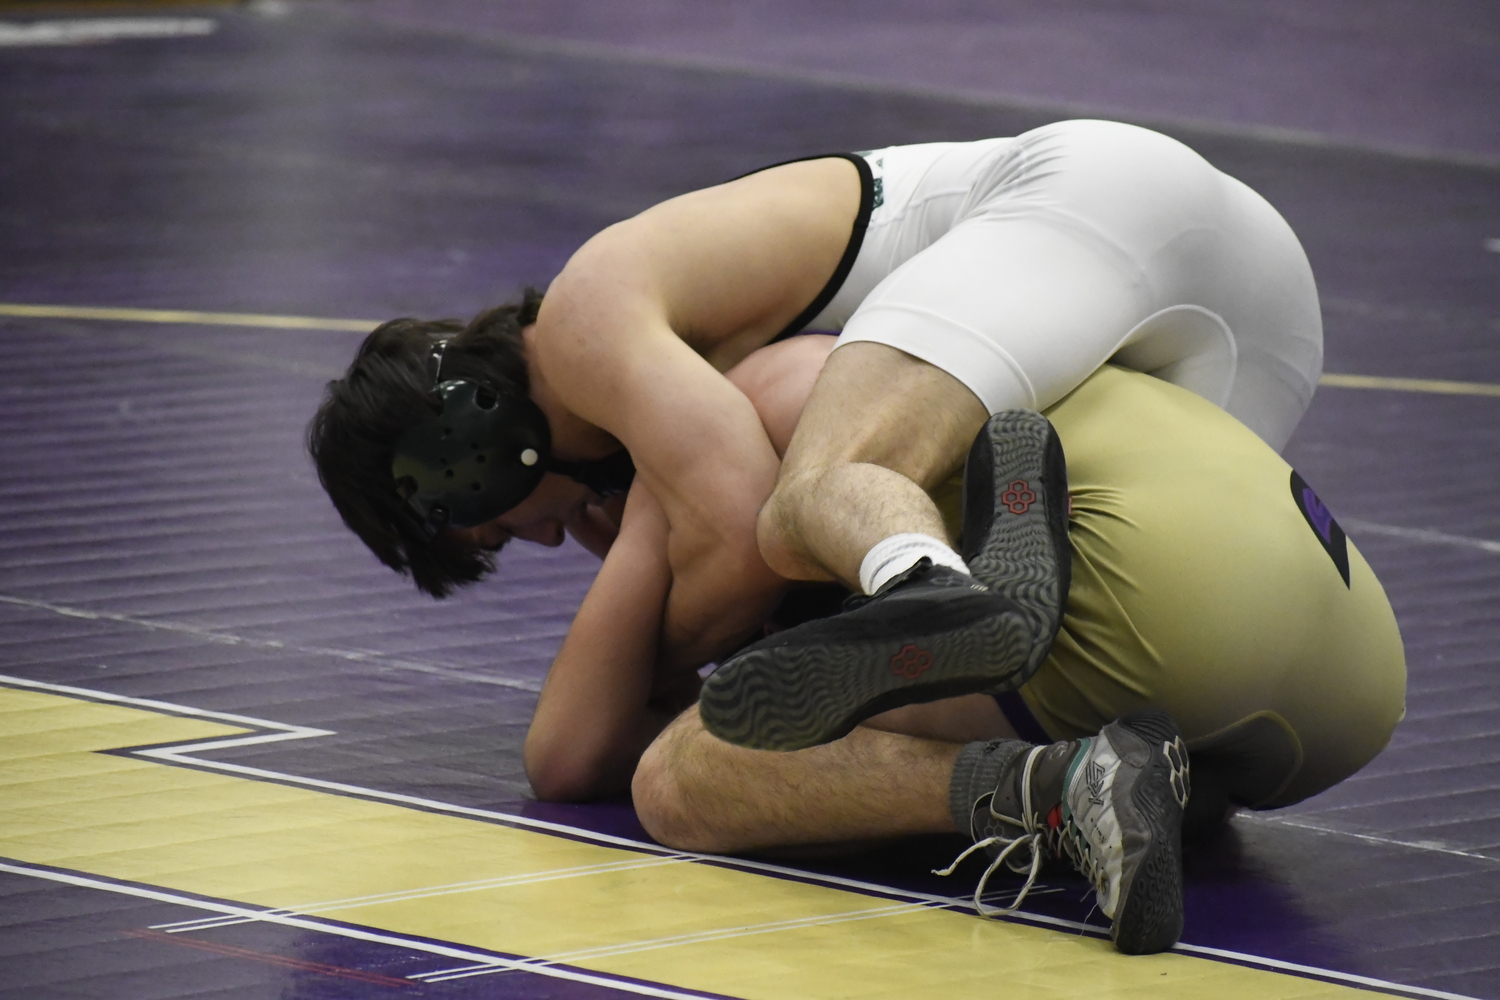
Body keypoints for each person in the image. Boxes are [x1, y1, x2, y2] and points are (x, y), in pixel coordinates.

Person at [307, 120, 1397, 954]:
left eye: (482, 527)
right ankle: (1086, 732)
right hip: (1253, 374)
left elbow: (726, 546)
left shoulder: (592, 325)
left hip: (1090, 207)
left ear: (464, 447)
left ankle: (930, 585)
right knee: (1046, 551)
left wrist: (650, 604)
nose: (530, 545)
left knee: (806, 503)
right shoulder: (704, 365)